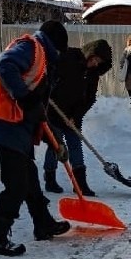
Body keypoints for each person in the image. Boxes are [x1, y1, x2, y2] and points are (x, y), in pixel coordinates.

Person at [0, 20, 72, 256]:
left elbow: (37, 110)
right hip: (5, 123)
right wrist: (25, 98)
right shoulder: (31, 48)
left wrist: (55, 144)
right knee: (17, 185)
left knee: (30, 178)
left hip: (17, 126)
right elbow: (4, 65)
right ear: (56, 46)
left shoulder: (41, 60)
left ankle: (43, 224)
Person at [43, 39, 114, 197]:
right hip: (54, 112)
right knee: (56, 145)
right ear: (90, 54)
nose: (95, 64)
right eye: (95, 59)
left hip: (73, 116)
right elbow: (49, 71)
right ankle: (50, 179)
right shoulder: (69, 57)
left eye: (99, 62)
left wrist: (76, 116)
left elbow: (89, 99)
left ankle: (80, 184)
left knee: (75, 146)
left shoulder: (93, 74)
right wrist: (46, 90)